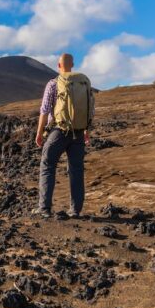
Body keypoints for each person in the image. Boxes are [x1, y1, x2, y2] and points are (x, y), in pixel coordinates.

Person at [33, 53, 95, 219]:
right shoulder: (83, 82)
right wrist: (87, 130)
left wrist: (39, 133)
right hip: (79, 132)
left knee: (47, 165)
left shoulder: (54, 83)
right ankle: (75, 210)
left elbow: (44, 111)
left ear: (58, 65)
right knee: (76, 169)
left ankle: (44, 208)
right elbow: (90, 108)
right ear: (72, 64)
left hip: (59, 131)